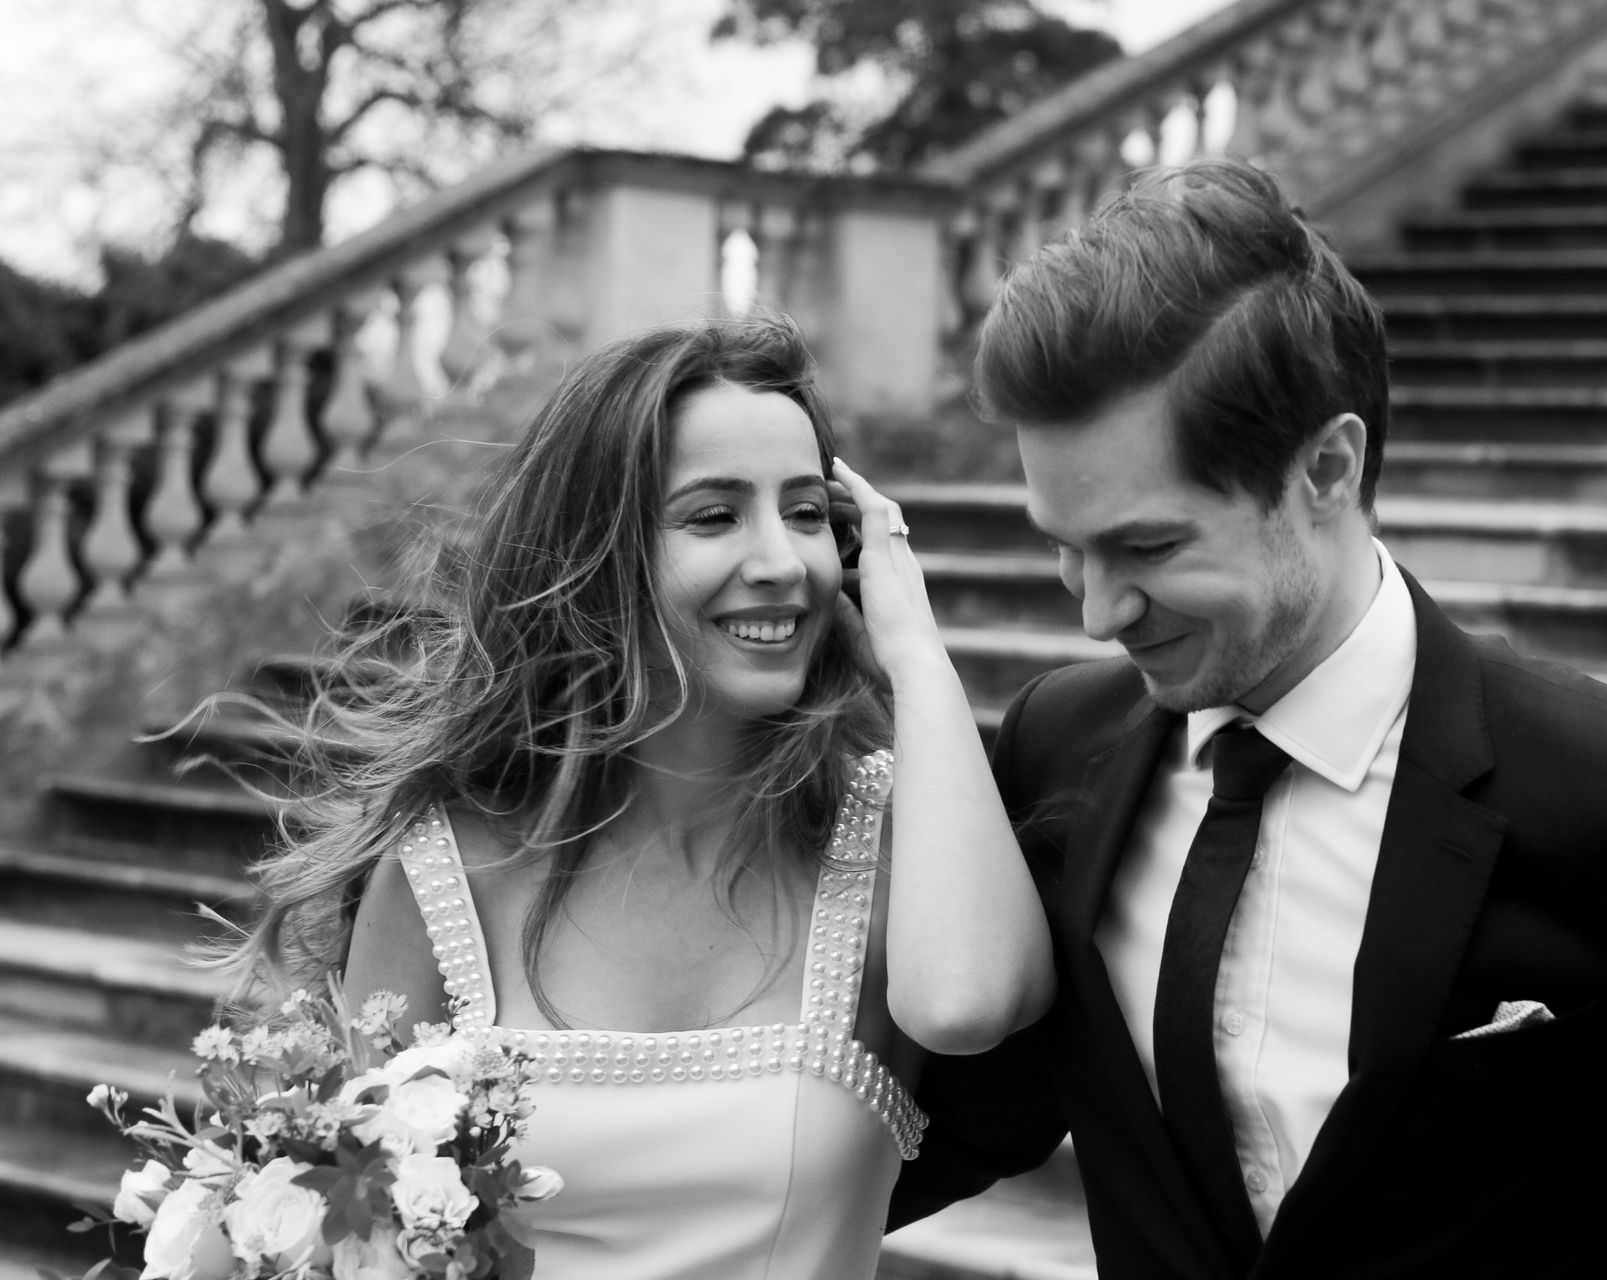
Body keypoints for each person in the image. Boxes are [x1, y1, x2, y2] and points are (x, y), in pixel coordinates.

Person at [888, 158, 1607, 1278]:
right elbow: (971, 1120)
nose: (1097, 612)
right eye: (1063, 547)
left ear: (1328, 467)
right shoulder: (1058, 745)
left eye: (1149, 546)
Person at [230, 316, 1054, 1278]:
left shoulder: (889, 844)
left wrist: (914, 654)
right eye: (714, 517)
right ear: (598, 554)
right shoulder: (448, 870)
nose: (783, 562)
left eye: (806, 514)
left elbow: (965, 1005)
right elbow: (351, 1238)